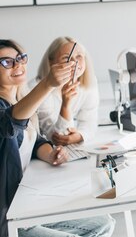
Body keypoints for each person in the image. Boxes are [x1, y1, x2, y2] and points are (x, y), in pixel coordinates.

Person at [0, 39, 115, 237]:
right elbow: (10, 124)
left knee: (103, 222)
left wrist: (51, 153)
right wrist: (48, 84)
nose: (17, 65)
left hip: (26, 201)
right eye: (6, 62)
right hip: (9, 217)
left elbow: (32, 139)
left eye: (20, 59)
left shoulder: (20, 97)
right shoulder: (14, 106)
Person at [34, 37, 99, 145]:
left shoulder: (89, 83)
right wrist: (66, 106)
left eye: (79, 56)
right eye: (66, 58)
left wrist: (80, 136)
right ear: (51, 62)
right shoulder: (38, 89)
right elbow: (57, 137)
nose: (75, 63)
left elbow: (89, 122)